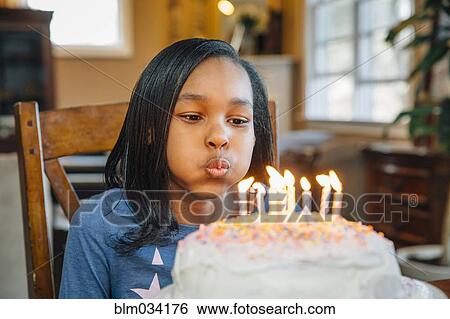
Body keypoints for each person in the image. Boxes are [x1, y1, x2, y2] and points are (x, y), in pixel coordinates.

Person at [58, 38, 275, 298]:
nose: (220, 136)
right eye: (193, 116)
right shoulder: (100, 225)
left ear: (255, 136)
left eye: (238, 120)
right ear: (150, 129)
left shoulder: (285, 220)